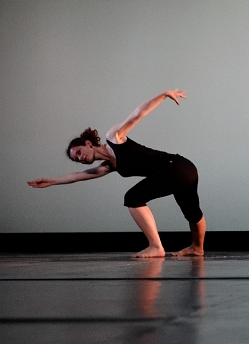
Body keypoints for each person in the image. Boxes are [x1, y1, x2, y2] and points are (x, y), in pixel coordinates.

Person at [28, 89, 205, 258]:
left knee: (133, 197)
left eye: (79, 152)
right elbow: (77, 176)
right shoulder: (107, 166)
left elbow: (137, 114)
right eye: (77, 159)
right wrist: (51, 181)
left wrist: (164, 94)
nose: (80, 158)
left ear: (88, 143)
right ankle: (197, 248)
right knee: (192, 212)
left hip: (177, 166)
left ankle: (156, 247)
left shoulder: (114, 137)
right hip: (184, 169)